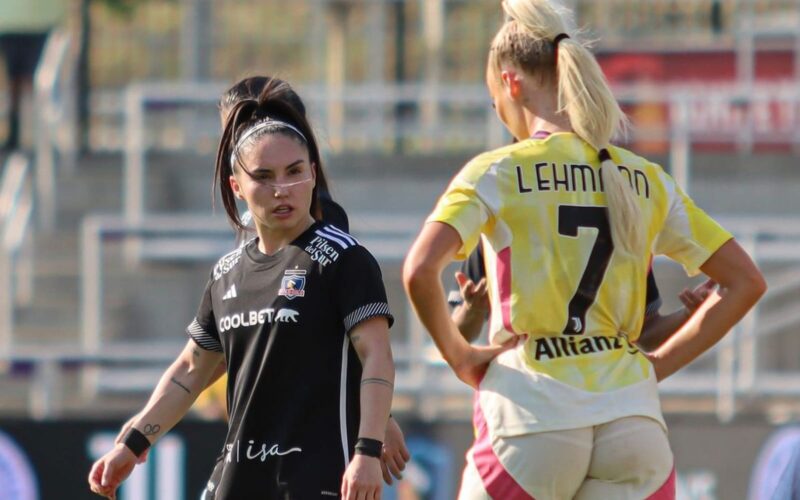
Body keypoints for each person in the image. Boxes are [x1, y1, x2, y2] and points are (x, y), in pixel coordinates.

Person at [402, 1, 766, 498]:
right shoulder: (645, 178)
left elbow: (420, 269)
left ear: (511, 84)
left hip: (531, 417)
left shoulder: (497, 173)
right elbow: (747, 281)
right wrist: (654, 367)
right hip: (633, 422)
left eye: (494, 98)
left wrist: (461, 355)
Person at [90, 77, 396, 499]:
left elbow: (374, 355)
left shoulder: (343, 257)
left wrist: (368, 448)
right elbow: (192, 369)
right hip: (237, 481)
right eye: (264, 177)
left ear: (313, 172)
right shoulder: (226, 273)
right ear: (237, 187)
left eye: (294, 172)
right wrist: (133, 442)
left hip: (317, 480)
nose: (281, 189)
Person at [449, 242, 717, 349]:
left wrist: (689, 316)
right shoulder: (497, 226)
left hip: (537, 409)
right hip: (530, 402)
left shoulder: (620, 219)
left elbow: (645, 333)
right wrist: (471, 309)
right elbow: (459, 333)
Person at [0, 0, 65, 151]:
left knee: (40, 84)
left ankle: (44, 136)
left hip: (42, 23)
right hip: (10, 23)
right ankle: (14, 135)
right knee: (14, 83)